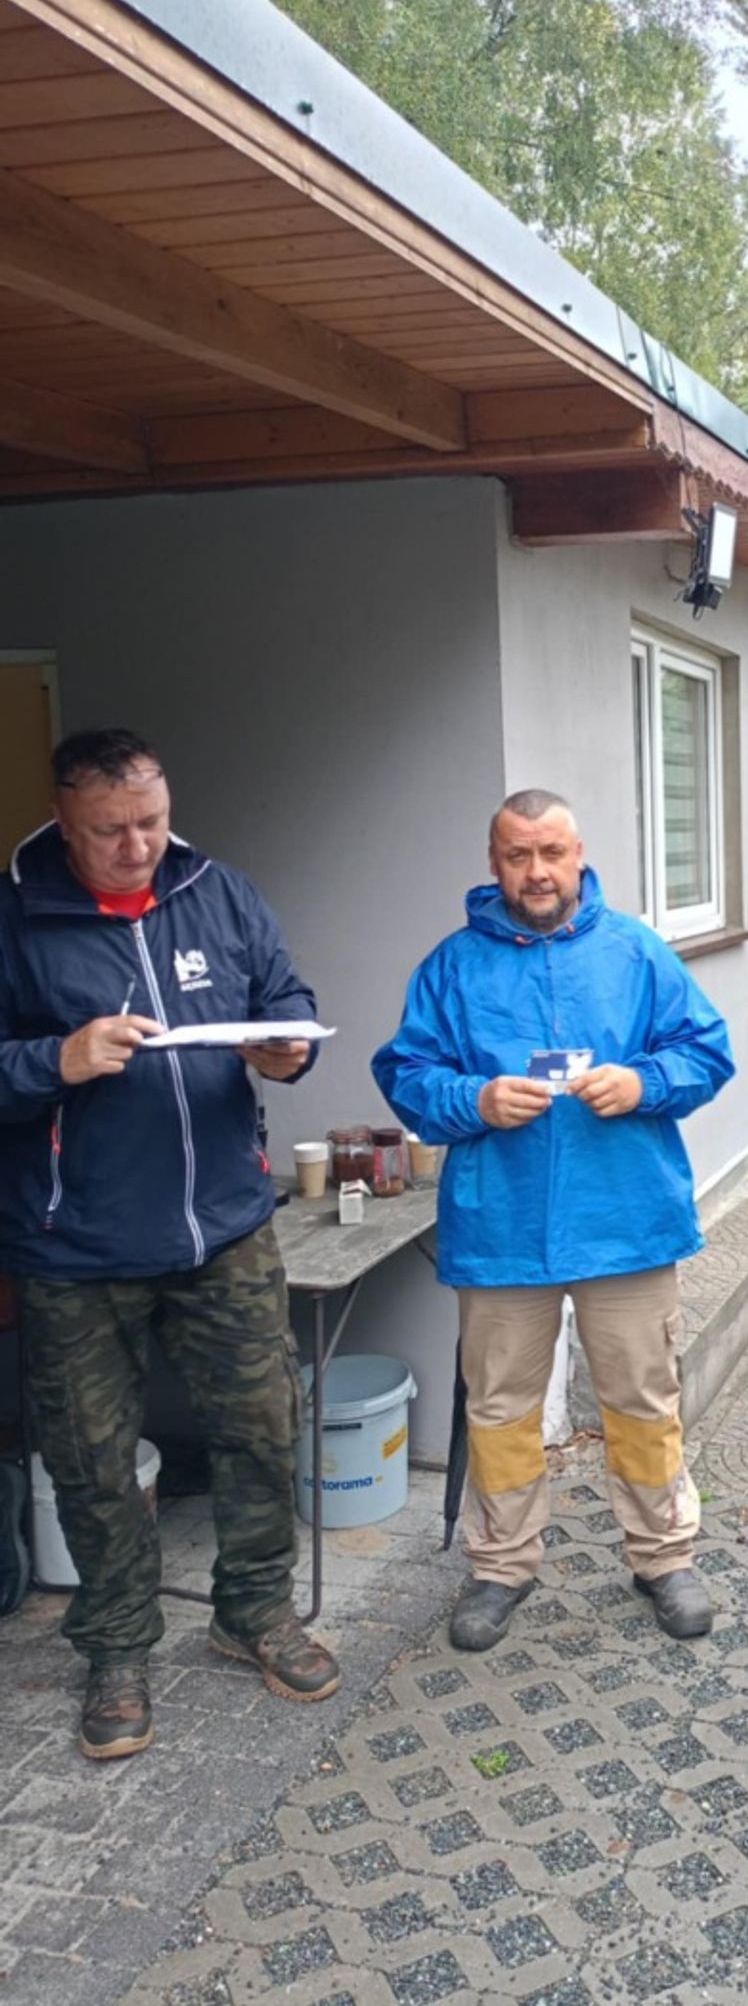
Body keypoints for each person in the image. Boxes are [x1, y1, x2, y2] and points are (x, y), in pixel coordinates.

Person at [0, 729, 339, 1761]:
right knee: (92, 1458)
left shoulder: (219, 891)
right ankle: (115, 1647)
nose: (137, 844)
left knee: (261, 1423)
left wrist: (286, 1046)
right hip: (74, 1246)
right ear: (63, 820)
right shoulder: (16, 916)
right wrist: (56, 1059)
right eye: (110, 830)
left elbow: (286, 1000)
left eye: (151, 821)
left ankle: (255, 1610)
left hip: (224, 1226)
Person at [373, 790, 734, 1651]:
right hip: (500, 1224)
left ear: (579, 856)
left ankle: (663, 1555)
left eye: (551, 853)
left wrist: (644, 1082)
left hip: (625, 1219)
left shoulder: (636, 952)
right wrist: (475, 1098)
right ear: (493, 863)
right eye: (517, 855)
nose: (536, 872)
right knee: (500, 1408)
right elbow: (407, 1074)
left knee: (642, 1400)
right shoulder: (454, 966)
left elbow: (707, 1050)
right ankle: (501, 1564)